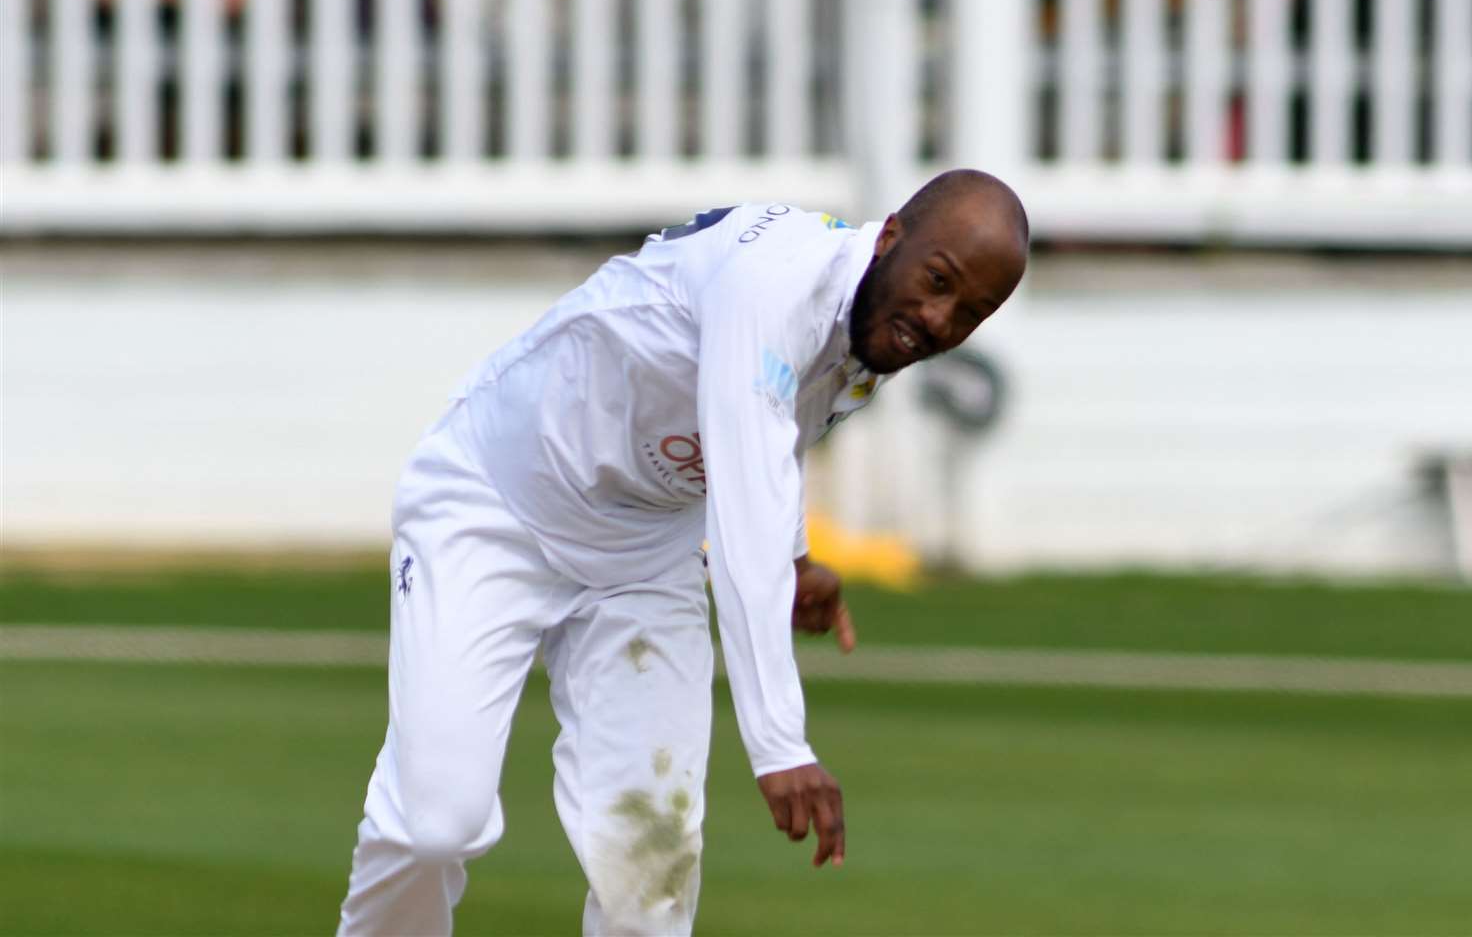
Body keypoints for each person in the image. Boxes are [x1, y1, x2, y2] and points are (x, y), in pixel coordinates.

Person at [336, 168, 1029, 936]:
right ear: (891, 233)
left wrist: (795, 559)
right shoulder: (777, 281)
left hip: (643, 555)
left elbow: (772, 430)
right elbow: (740, 508)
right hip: (496, 501)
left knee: (651, 875)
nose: (936, 320)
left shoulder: (867, 319)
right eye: (937, 282)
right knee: (434, 826)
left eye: (971, 313)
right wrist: (779, 746)